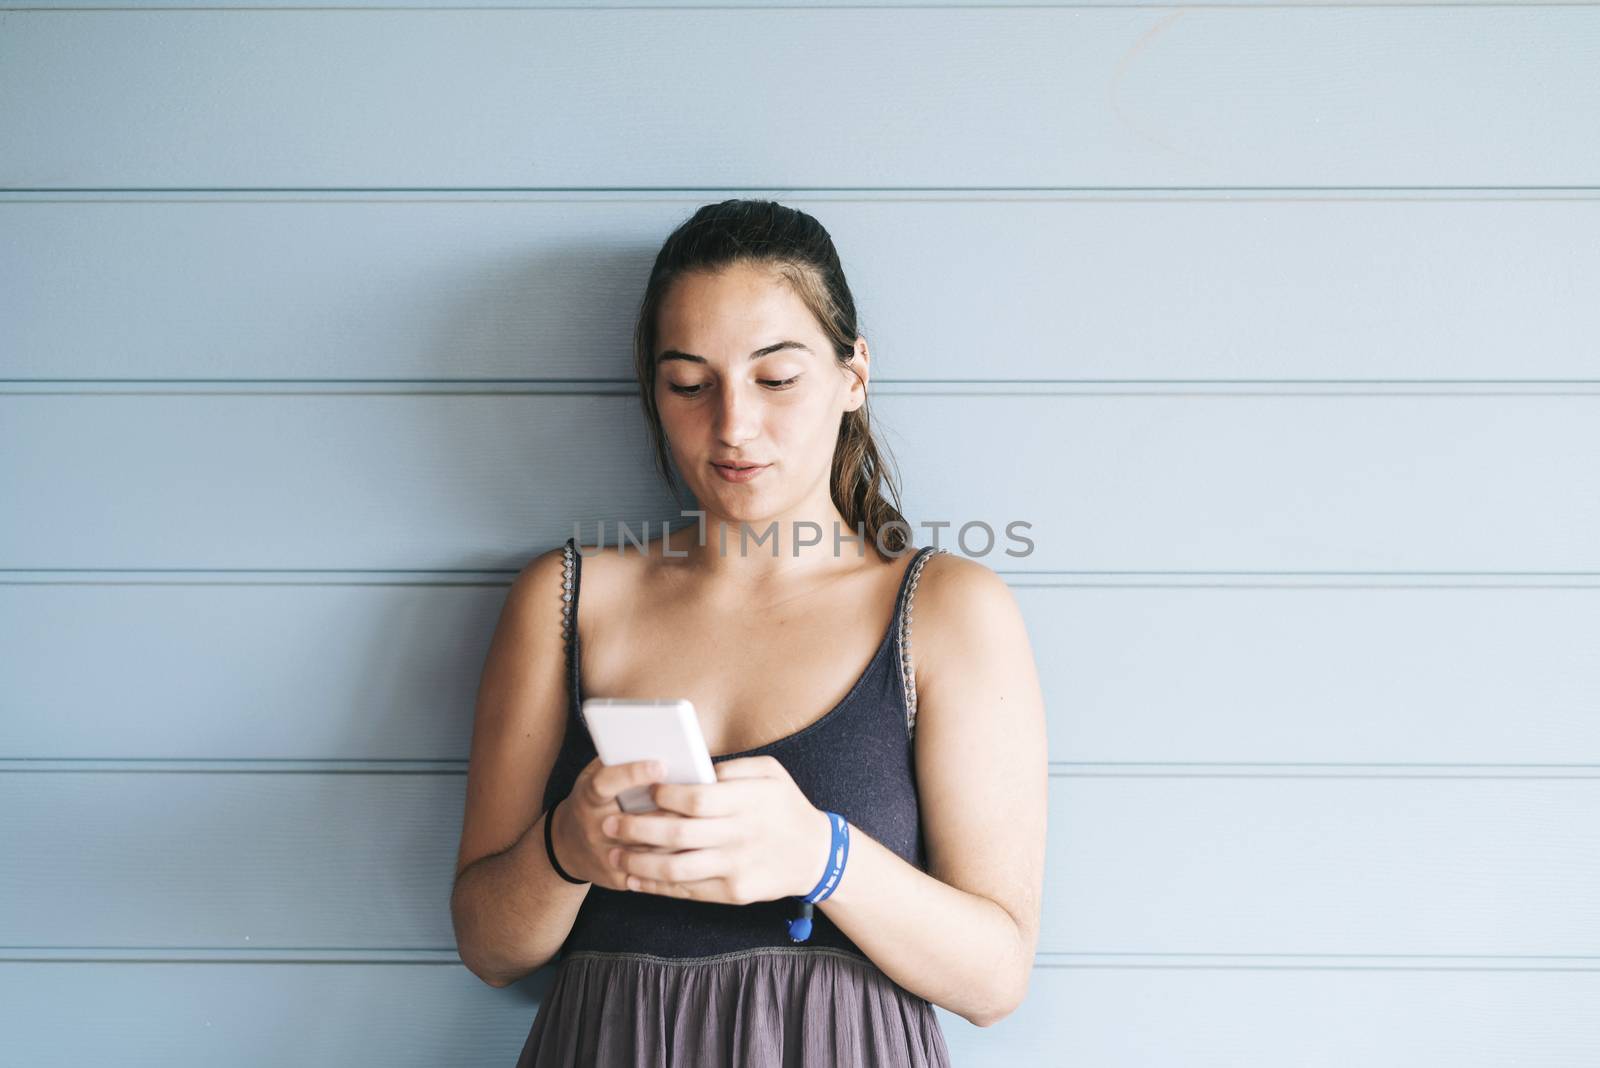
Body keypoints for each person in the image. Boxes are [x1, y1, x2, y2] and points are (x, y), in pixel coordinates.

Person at [451, 199, 1048, 1065]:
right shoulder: (566, 598)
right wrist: (565, 848)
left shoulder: (947, 608)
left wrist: (824, 856)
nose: (732, 425)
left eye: (776, 379)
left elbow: (995, 981)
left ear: (853, 375)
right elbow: (488, 945)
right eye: (689, 384)